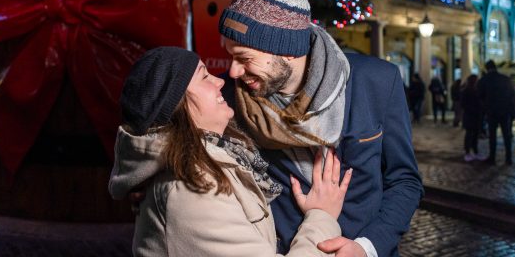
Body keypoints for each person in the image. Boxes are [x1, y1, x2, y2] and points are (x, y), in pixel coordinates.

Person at [218, 0, 423, 257]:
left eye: (244, 58)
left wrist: (366, 247)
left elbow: (404, 181)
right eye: (230, 56)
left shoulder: (376, 81)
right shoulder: (227, 99)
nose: (233, 72)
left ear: (288, 50)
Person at [109, 47, 352, 257]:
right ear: (178, 104)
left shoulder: (215, 161)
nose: (220, 81)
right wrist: (321, 217)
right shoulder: (191, 189)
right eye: (204, 76)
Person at [477, 60, 514, 165]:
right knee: (506, 134)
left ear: (487, 68)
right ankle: (508, 158)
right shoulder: (505, 79)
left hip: (492, 111)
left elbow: (479, 94)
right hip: (505, 110)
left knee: (492, 135)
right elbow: (512, 93)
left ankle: (492, 157)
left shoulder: (485, 80)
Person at [460, 75, 487, 162]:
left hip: (475, 116)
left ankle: (474, 151)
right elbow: (463, 104)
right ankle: (468, 152)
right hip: (470, 115)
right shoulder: (467, 91)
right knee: (469, 134)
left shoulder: (476, 91)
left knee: (474, 134)